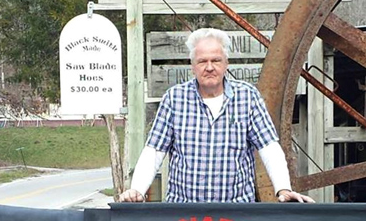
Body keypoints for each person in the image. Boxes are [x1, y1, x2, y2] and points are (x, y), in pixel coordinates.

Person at [119, 28, 314, 204]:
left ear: (226, 63)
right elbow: (154, 151)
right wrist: (137, 190)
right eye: (202, 61)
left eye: (216, 60)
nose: (209, 67)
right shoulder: (174, 98)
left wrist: (283, 188)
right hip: (184, 216)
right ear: (192, 65)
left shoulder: (247, 96)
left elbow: (269, 147)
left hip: (236, 215)